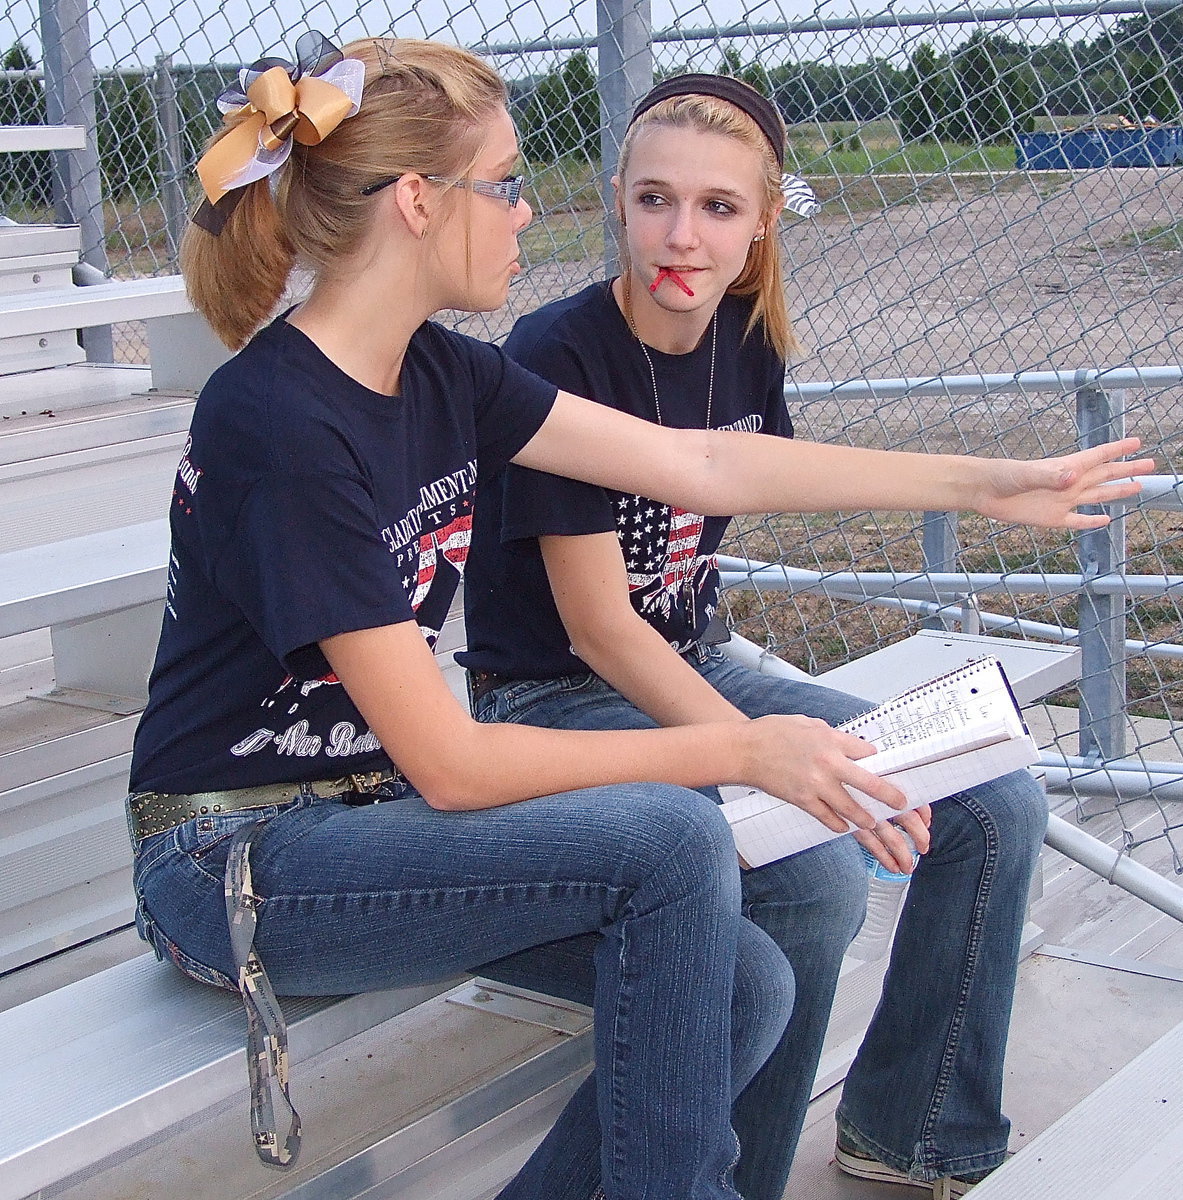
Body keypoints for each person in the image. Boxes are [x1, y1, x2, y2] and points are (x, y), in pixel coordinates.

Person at [126, 34, 1147, 1200]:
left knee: (745, 987)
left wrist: (984, 483)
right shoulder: (280, 423)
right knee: (667, 848)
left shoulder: (442, 373)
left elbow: (697, 466)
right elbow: (454, 764)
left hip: (364, 823)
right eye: (505, 183)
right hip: (234, 861)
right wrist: (745, 750)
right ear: (418, 201)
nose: (523, 214)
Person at [458, 74, 1148, 1200]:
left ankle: (915, 1131)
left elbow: (755, 484)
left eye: (719, 208)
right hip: (557, 689)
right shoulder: (556, 353)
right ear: (616, 203)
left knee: (992, 799)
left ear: (763, 219)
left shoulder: (744, 336)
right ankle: (740, 1179)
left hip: (694, 653)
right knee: (810, 863)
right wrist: (763, 756)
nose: (681, 235)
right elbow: (595, 629)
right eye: (653, 200)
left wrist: (994, 485)